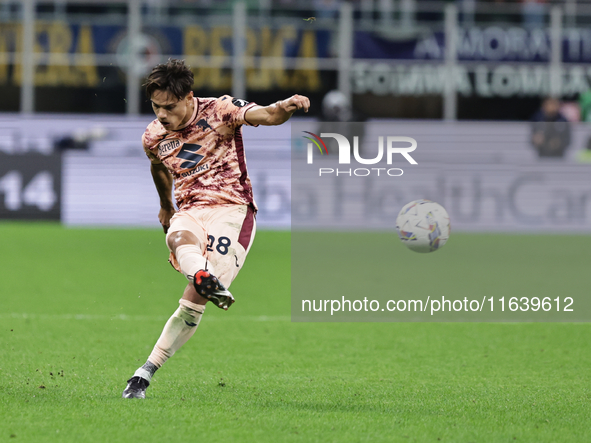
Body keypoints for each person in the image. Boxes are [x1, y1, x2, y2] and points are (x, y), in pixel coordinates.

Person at [122, 59, 310, 399]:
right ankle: (142, 375)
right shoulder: (153, 136)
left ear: (188, 97)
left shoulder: (220, 110)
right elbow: (158, 167)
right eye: (155, 106)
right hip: (191, 209)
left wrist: (284, 107)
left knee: (192, 304)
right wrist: (166, 205)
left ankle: (148, 368)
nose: (162, 115)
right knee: (177, 235)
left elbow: (267, 115)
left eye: (169, 107)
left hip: (233, 212)